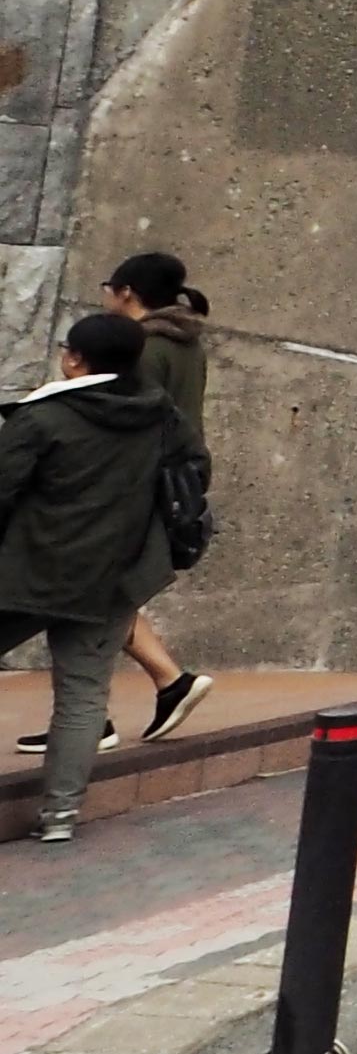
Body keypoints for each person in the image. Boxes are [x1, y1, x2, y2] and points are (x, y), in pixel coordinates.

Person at [1, 311, 185, 843]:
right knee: (83, 694)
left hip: (30, 571)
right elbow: (192, 473)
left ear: (75, 357)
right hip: (114, 576)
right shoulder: (160, 415)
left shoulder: (43, 416)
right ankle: (59, 816)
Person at [18, 254, 210, 755]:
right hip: (164, 486)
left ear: (126, 293)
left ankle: (110, 709)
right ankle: (162, 686)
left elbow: (122, 414)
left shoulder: (141, 350)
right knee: (104, 599)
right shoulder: (187, 343)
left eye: (109, 288)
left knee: (91, 599)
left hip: (126, 491)